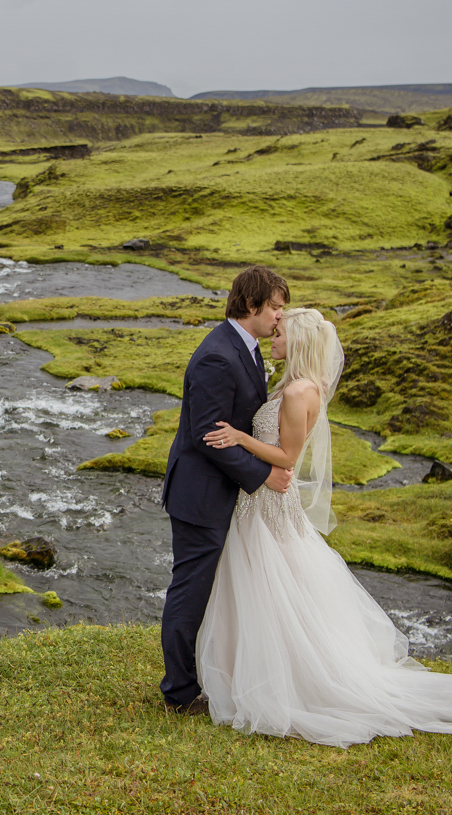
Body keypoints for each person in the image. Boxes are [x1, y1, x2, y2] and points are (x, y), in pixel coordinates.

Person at [195, 307, 452, 747]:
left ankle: (285, 683)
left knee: (272, 590)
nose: (272, 339)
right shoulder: (293, 385)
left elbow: (287, 458)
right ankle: (241, 672)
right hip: (257, 502)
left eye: (279, 335)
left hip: (270, 505)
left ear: (297, 342)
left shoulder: (302, 391)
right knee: (256, 589)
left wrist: (240, 438)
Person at [158, 265, 293, 714]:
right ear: (251, 305)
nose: (280, 317)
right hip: (200, 495)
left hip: (222, 493)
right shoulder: (218, 355)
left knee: (213, 591)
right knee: (191, 591)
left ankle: (214, 673)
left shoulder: (248, 349)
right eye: (275, 307)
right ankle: (178, 692)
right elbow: (206, 435)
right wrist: (262, 474)